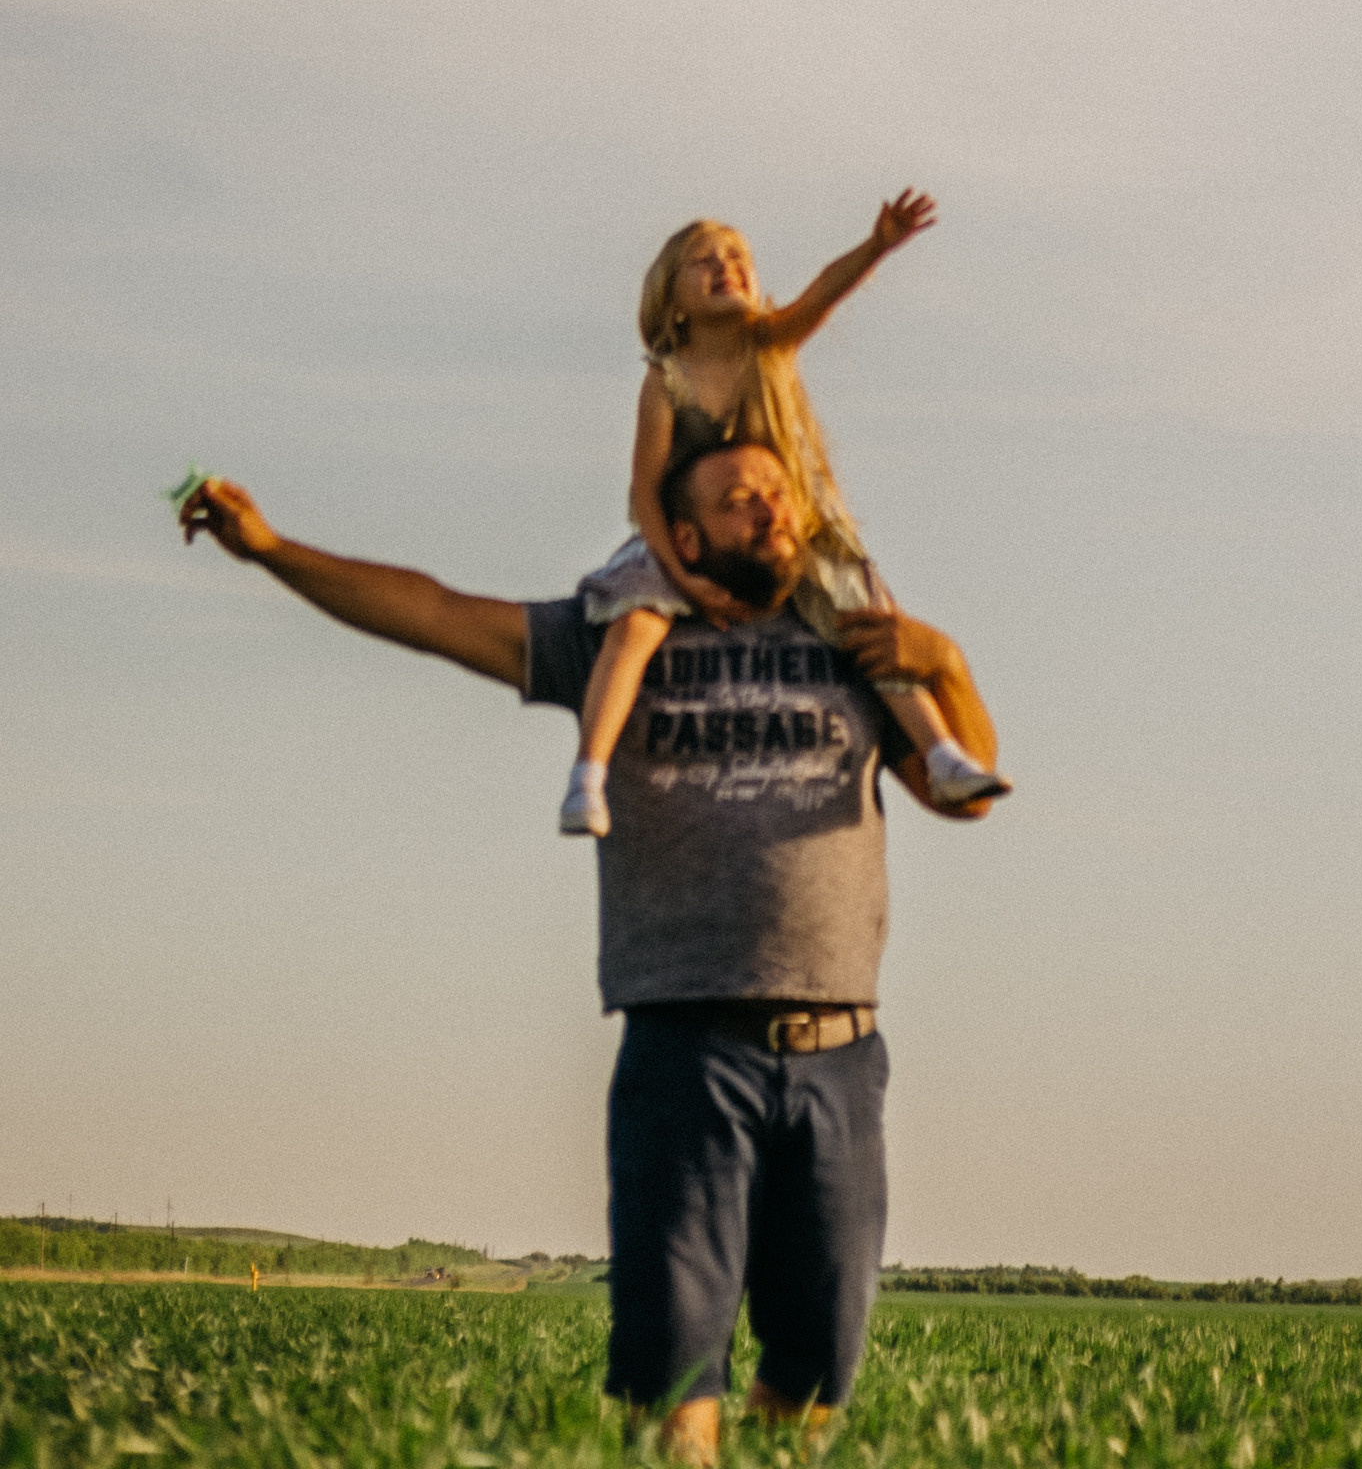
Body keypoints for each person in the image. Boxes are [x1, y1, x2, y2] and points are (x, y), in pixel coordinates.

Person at [178, 441, 1002, 1457]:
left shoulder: (851, 633)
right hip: (687, 1047)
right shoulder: (621, 633)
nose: (773, 511)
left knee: (818, 1367)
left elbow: (957, 791)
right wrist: (269, 549)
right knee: (674, 1371)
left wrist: (946, 664)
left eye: (779, 494)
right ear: (683, 535)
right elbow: (436, 613)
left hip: (840, 1051)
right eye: (740, 499)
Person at [562, 196, 1008, 838]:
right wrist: (679, 577)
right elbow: (645, 488)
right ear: (672, 300)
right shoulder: (666, 380)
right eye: (704, 262)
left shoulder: (770, 345)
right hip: (684, 535)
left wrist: (876, 245)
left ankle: (941, 753)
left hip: (788, 529)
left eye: (739, 257)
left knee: (868, 620)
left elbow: (823, 293)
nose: (727, 267)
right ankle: (588, 777)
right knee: (632, 625)